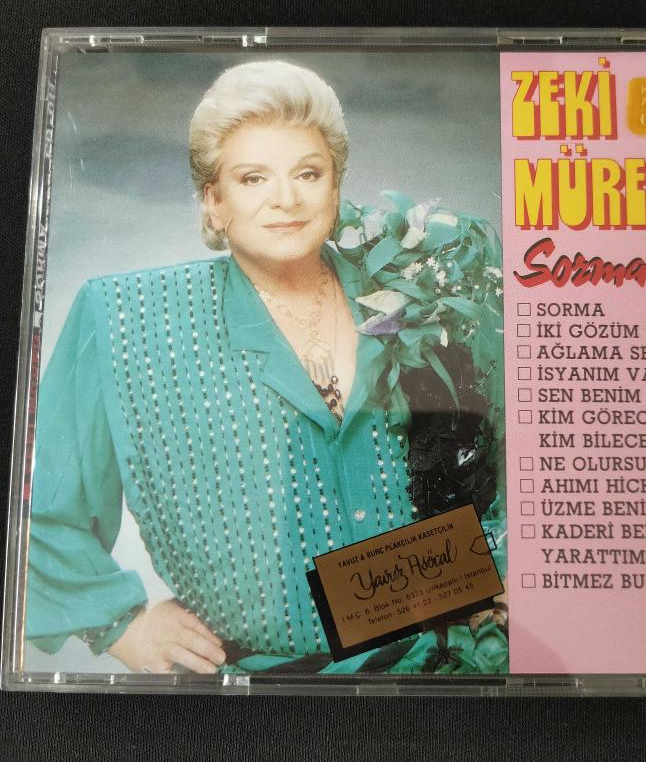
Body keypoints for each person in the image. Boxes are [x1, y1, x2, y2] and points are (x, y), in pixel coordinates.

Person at [25, 60, 507, 675]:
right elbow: (42, 513)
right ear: (214, 201)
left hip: (453, 666)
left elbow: (523, 459)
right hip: (260, 689)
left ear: (335, 188)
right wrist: (118, 625)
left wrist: (503, 570)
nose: (286, 198)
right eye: (253, 178)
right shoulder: (126, 317)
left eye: (308, 173)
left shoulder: (426, 289)